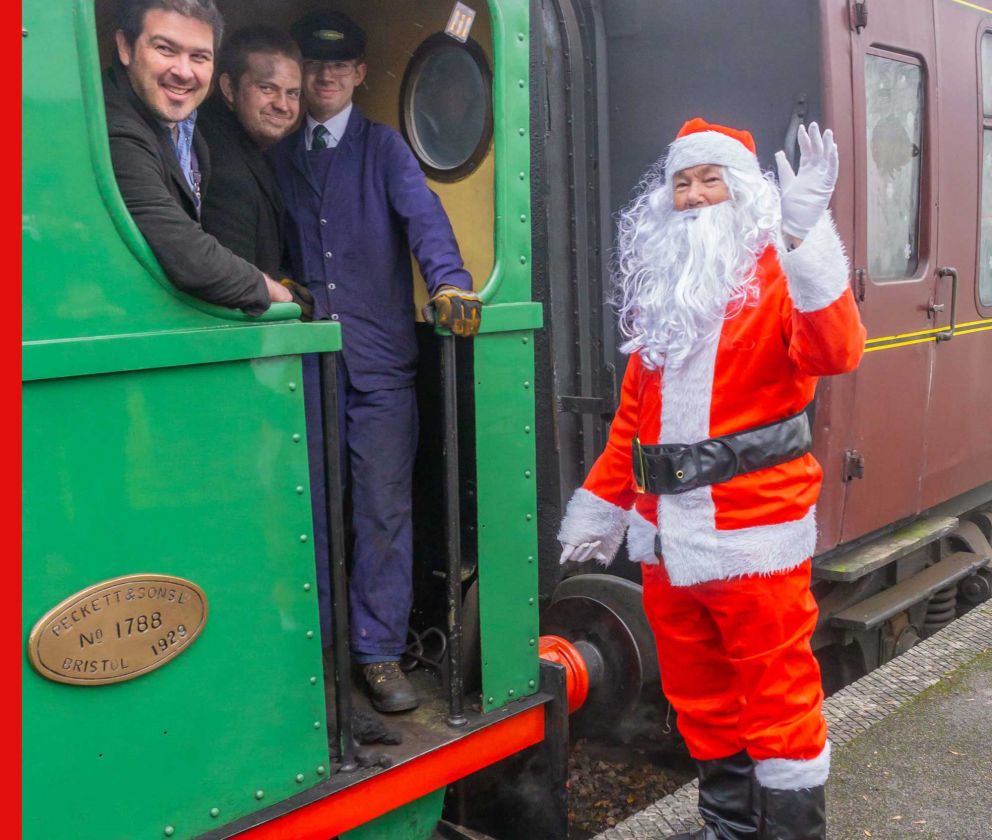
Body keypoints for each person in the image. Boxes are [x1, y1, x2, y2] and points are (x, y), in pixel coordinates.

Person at [557, 118, 866, 840]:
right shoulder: (665, 297)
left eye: (710, 179)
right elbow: (633, 425)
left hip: (754, 532)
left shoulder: (779, 271)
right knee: (699, 697)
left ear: (743, 189)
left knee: (777, 697)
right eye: (682, 182)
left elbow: (839, 350)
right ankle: (729, 828)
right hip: (666, 538)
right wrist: (600, 510)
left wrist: (804, 237)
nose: (695, 196)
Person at [269, 10, 482, 713]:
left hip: (381, 369)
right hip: (304, 369)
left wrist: (449, 282)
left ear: (360, 74)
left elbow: (425, 220)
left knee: (383, 513)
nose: (326, 76)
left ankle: (378, 653)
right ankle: (319, 647)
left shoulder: (384, 148)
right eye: (315, 65)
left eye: (340, 66)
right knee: (312, 510)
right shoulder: (278, 155)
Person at [104, 0, 292, 314]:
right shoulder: (115, 128)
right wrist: (269, 290)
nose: (183, 71)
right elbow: (182, 249)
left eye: (199, 56)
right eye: (165, 49)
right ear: (125, 47)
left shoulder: (188, 129)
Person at [197, 24, 308, 313]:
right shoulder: (221, 161)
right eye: (267, 88)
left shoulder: (243, 143)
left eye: (293, 93)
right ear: (228, 89)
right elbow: (231, 292)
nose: (283, 105)